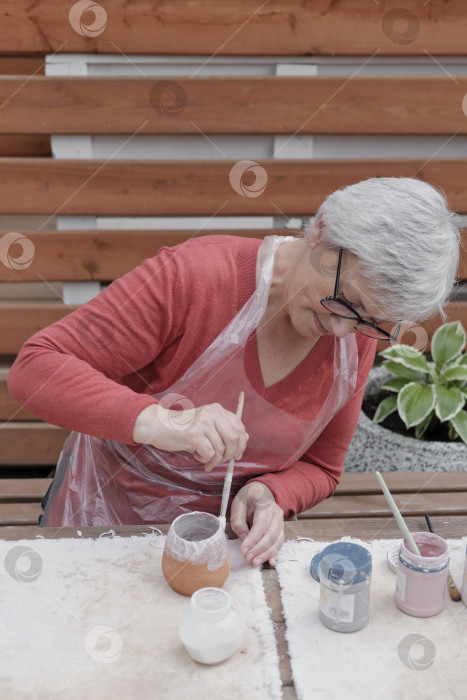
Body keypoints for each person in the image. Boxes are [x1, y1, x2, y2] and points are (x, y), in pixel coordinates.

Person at [7, 177, 460, 568]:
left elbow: (323, 465)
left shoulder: (353, 336)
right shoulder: (196, 276)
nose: (343, 329)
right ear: (321, 232)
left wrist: (274, 493)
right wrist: (163, 421)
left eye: (368, 321)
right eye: (346, 300)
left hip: (230, 551)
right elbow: (36, 367)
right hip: (105, 523)